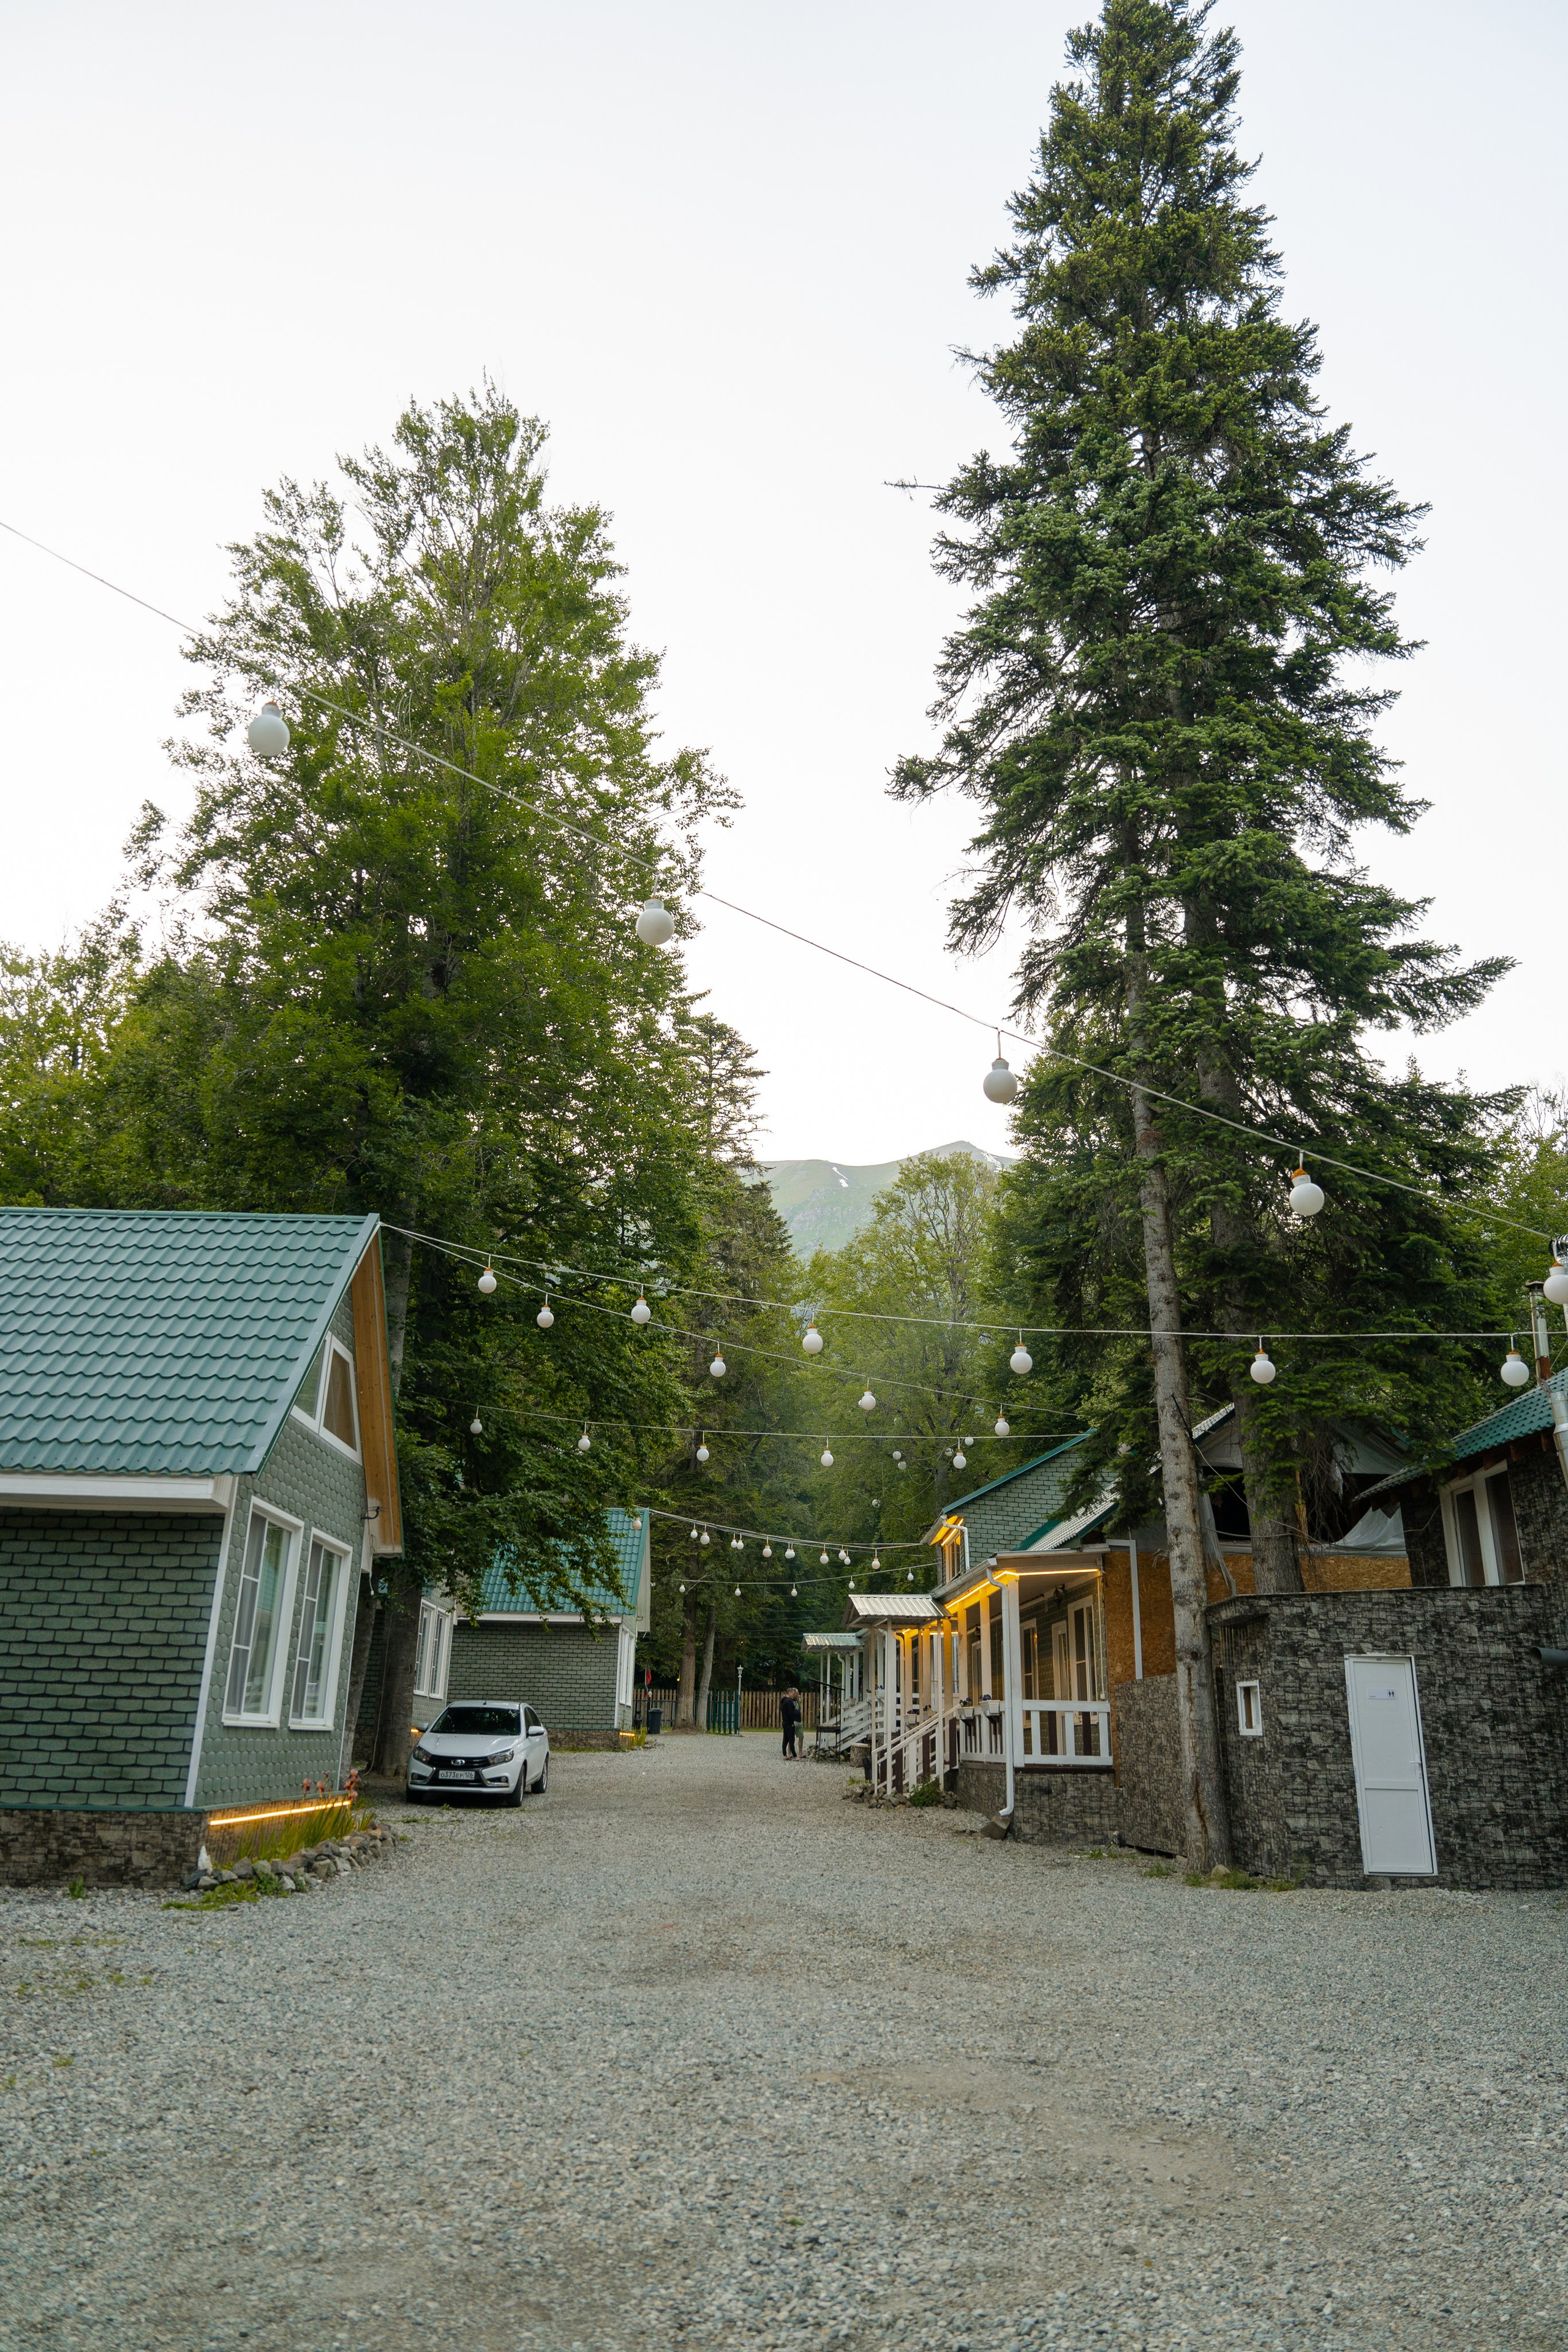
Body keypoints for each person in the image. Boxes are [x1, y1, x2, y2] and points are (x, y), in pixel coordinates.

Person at [781, 1686, 801, 1760]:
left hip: (785, 1722)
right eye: (793, 1694)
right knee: (791, 1739)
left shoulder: (783, 1700)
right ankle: (795, 1756)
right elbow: (790, 1713)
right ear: (789, 1693)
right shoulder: (789, 1701)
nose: (793, 1695)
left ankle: (784, 1754)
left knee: (785, 1739)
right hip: (789, 1722)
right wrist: (793, 1720)